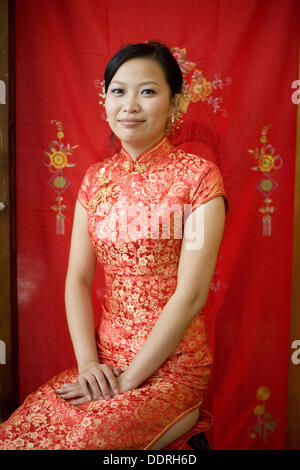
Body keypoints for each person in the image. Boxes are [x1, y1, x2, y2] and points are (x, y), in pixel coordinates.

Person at [0, 41, 229, 450]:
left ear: (175, 101)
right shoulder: (95, 180)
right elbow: (77, 278)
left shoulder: (199, 179)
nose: (130, 105)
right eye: (118, 90)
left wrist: (128, 381)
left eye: (148, 91)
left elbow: (191, 295)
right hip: (104, 363)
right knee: (17, 434)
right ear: (104, 99)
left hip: (171, 370)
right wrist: (90, 365)